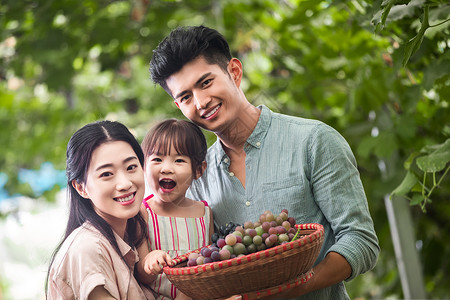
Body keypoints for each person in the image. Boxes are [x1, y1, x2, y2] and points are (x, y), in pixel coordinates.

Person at [148, 25, 380, 299]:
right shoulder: (196, 175)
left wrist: (287, 290)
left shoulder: (314, 141)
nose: (201, 102)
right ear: (178, 106)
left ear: (234, 72)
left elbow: (361, 241)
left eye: (206, 82)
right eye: (185, 97)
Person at [46, 120, 164, 300]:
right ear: (81, 188)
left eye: (131, 167)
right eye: (106, 174)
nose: (125, 183)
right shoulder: (88, 249)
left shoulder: (130, 234)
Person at [136, 119, 214, 300]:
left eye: (179, 160)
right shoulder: (144, 213)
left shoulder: (205, 214)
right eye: (157, 159)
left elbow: (212, 263)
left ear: (198, 170)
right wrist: (150, 261)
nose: (166, 168)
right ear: (143, 166)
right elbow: (142, 275)